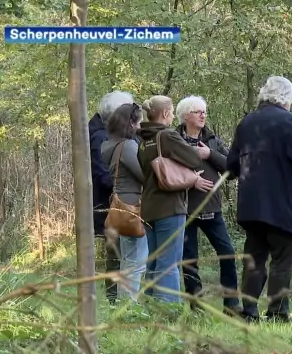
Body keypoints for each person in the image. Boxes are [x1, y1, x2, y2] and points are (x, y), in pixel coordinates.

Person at [227, 76, 292, 322]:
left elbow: (231, 165)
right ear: (287, 98)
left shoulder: (247, 122)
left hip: (252, 204)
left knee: (254, 259)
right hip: (284, 204)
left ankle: (248, 311)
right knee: (281, 260)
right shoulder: (291, 123)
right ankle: (277, 312)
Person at [137, 95, 208, 304]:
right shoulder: (167, 136)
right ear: (166, 114)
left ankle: (148, 307)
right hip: (169, 206)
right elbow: (193, 159)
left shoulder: (143, 140)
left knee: (154, 260)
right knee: (169, 262)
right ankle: (168, 310)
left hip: (149, 206)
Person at [175, 95, 240, 315]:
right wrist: (191, 179)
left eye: (204, 111)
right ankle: (197, 305)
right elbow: (167, 171)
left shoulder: (212, 139)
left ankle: (231, 304)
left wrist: (209, 154)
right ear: (185, 116)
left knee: (227, 254)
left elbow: (232, 170)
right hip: (185, 210)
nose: (203, 115)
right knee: (189, 260)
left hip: (212, 209)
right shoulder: (174, 139)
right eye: (197, 111)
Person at [89, 91, 134, 304]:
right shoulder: (99, 137)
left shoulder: (106, 132)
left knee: (120, 253)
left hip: (117, 201)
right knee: (116, 254)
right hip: (111, 204)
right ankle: (114, 300)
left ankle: (118, 298)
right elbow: (102, 174)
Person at [101, 103, 146, 302]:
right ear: (131, 123)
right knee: (135, 260)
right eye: (139, 120)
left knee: (126, 258)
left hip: (118, 203)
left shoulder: (108, 144)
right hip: (132, 205)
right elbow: (144, 174)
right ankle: (128, 304)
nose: (142, 124)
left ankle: (120, 302)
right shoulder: (128, 146)